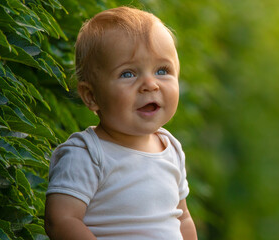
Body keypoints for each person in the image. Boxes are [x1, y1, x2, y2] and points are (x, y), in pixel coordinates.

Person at [44, 6, 197, 240]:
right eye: (128, 74)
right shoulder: (87, 154)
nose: (150, 84)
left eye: (162, 70)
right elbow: (61, 221)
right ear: (91, 96)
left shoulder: (171, 148)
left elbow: (182, 218)